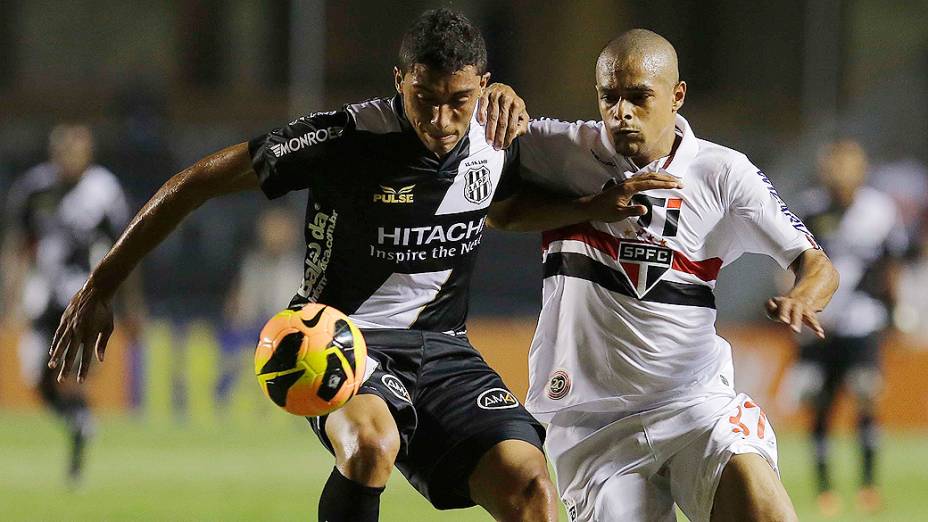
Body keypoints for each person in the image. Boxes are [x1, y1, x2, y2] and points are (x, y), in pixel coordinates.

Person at [48, 9, 563, 521]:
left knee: (531, 484)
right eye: (424, 99)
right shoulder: (347, 136)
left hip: (446, 346)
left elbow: (506, 210)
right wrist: (101, 286)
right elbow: (196, 181)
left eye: (459, 101)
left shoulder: (493, 136)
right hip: (342, 340)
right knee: (369, 444)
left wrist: (595, 208)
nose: (440, 120)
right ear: (399, 80)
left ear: (484, 86)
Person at [488, 29, 839, 521]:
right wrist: (495, 99)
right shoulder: (561, 148)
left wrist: (803, 296)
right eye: (610, 97)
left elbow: (816, 262)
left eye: (638, 97)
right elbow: (495, 207)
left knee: (766, 510)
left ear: (676, 96)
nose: (621, 111)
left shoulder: (723, 172)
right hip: (593, 427)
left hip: (695, 404)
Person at [1, 124, 139, 485]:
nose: (70, 158)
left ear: (88, 153)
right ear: (53, 152)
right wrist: (11, 296)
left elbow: (126, 248)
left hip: (84, 295)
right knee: (36, 374)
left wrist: (130, 303)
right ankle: (79, 421)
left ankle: (78, 442)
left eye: (77, 150)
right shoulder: (34, 188)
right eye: (64, 150)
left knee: (70, 372)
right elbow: (16, 246)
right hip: (42, 292)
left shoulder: (104, 190)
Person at [789, 139, 906, 516]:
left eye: (849, 165)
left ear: (862, 168)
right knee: (818, 401)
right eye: (835, 165)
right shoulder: (810, 208)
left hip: (863, 319)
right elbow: (790, 263)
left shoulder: (879, 210)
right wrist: (796, 305)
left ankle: (868, 485)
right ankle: (825, 487)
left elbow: (891, 264)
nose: (841, 173)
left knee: (866, 391)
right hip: (820, 323)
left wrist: (896, 310)